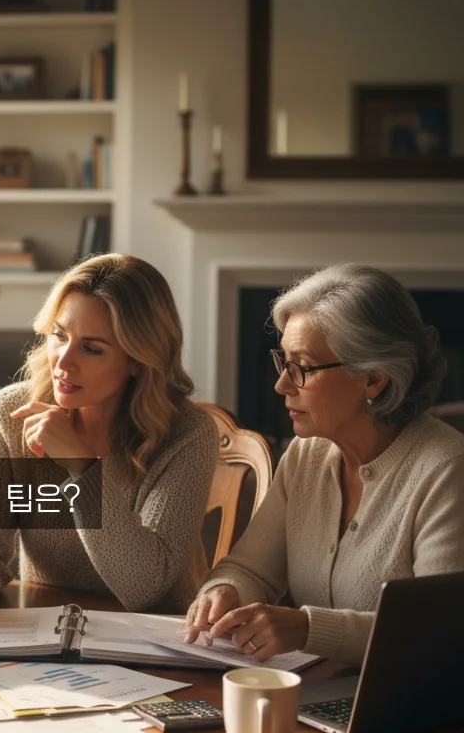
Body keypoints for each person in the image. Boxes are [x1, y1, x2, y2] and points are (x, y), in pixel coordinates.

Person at [184, 264, 464, 664]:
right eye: (283, 362)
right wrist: (224, 591)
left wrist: (309, 629)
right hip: (315, 694)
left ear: (373, 379)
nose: (282, 384)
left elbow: (439, 630)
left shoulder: (446, 469)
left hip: (406, 715)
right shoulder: (307, 455)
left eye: (303, 367)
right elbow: (251, 569)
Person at [0, 254, 218, 614]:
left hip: (157, 644)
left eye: (91, 348)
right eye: (59, 336)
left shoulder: (188, 434)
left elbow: (144, 587)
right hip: (46, 634)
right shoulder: (12, 413)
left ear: (139, 359)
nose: (62, 362)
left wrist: (83, 468)